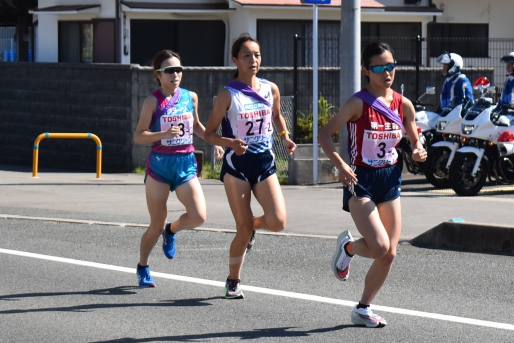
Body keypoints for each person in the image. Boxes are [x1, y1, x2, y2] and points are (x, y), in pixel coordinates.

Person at [318, 42, 427, 327]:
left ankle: (363, 308)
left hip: (390, 179)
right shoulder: (358, 103)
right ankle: (348, 249)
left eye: (391, 66)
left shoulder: (403, 104)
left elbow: (414, 138)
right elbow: (325, 135)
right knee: (379, 246)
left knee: (390, 252)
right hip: (361, 180)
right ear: (366, 71)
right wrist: (341, 165)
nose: (387, 72)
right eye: (379, 68)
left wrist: (418, 149)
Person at [204, 33, 297, 299]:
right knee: (241, 229)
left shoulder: (270, 88)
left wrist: (285, 137)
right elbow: (209, 133)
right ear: (235, 60)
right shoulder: (228, 94)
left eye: (256, 55)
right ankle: (233, 280)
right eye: (247, 55)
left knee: (278, 221)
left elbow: (277, 116)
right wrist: (229, 142)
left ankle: (251, 226)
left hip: (264, 161)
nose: (253, 60)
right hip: (238, 165)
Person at [134, 49, 224, 287]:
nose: (175, 74)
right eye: (169, 70)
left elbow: (196, 125)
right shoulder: (152, 101)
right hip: (160, 167)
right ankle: (143, 266)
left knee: (198, 216)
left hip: (185, 163)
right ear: (158, 74)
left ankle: (171, 230)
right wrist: (163, 134)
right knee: (155, 224)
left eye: (179, 70)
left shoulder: (190, 96)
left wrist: (215, 142)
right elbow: (139, 136)